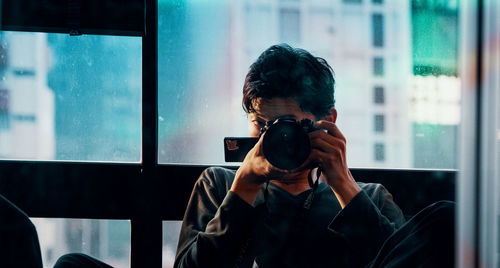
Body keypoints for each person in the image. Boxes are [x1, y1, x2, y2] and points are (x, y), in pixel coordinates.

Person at [174, 44, 406, 268]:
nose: (273, 137)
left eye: (288, 125)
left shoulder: (371, 198)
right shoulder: (219, 186)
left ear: (328, 121)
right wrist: (242, 189)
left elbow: (403, 261)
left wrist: (344, 186)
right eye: (261, 124)